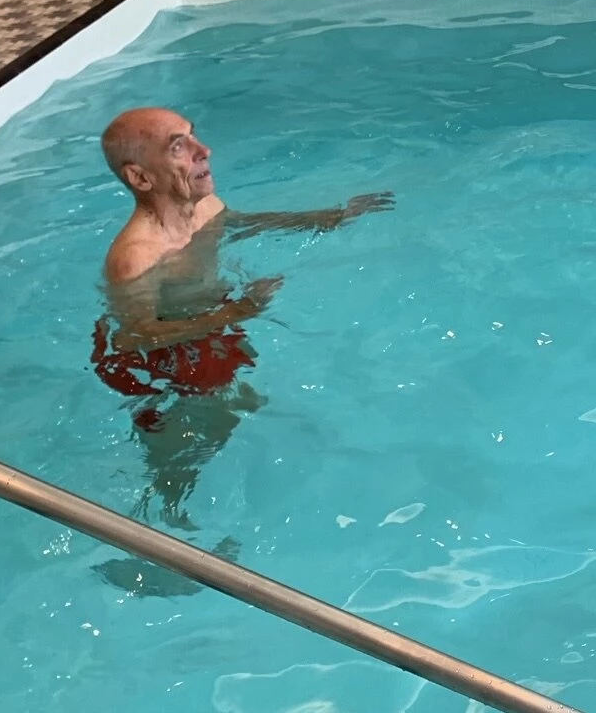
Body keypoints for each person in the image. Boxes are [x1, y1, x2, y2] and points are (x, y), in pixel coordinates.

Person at [91, 107, 391, 555]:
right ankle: (167, 532)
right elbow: (138, 337)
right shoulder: (135, 257)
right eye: (179, 147)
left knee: (238, 410)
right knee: (190, 449)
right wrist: (238, 313)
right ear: (141, 178)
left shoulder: (205, 205)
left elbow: (239, 224)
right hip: (161, 363)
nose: (203, 151)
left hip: (206, 329)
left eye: (194, 137)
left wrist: (324, 217)